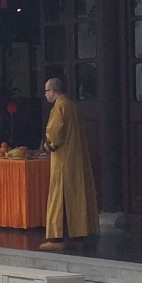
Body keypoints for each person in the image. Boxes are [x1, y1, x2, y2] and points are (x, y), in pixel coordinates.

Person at [40, 77, 97, 246]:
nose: (45, 96)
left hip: (63, 159)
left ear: (52, 91)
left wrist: (49, 145)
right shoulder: (72, 105)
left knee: (60, 195)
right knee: (76, 194)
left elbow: (55, 133)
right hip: (76, 157)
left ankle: (56, 237)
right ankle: (78, 233)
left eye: (46, 92)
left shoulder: (59, 107)